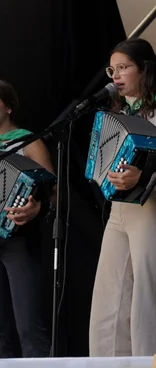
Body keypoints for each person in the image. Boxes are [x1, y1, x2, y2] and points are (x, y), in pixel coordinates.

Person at [88, 38, 156, 356]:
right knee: (108, 301)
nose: (116, 75)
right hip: (119, 212)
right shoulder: (119, 114)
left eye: (123, 67)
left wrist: (141, 179)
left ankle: (154, 362)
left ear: (144, 69)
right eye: (112, 70)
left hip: (153, 212)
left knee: (148, 301)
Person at [0, 80, 53, 357]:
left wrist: (36, 208)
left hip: (19, 238)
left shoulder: (28, 141)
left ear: (8, 107)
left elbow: (54, 191)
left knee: (28, 325)